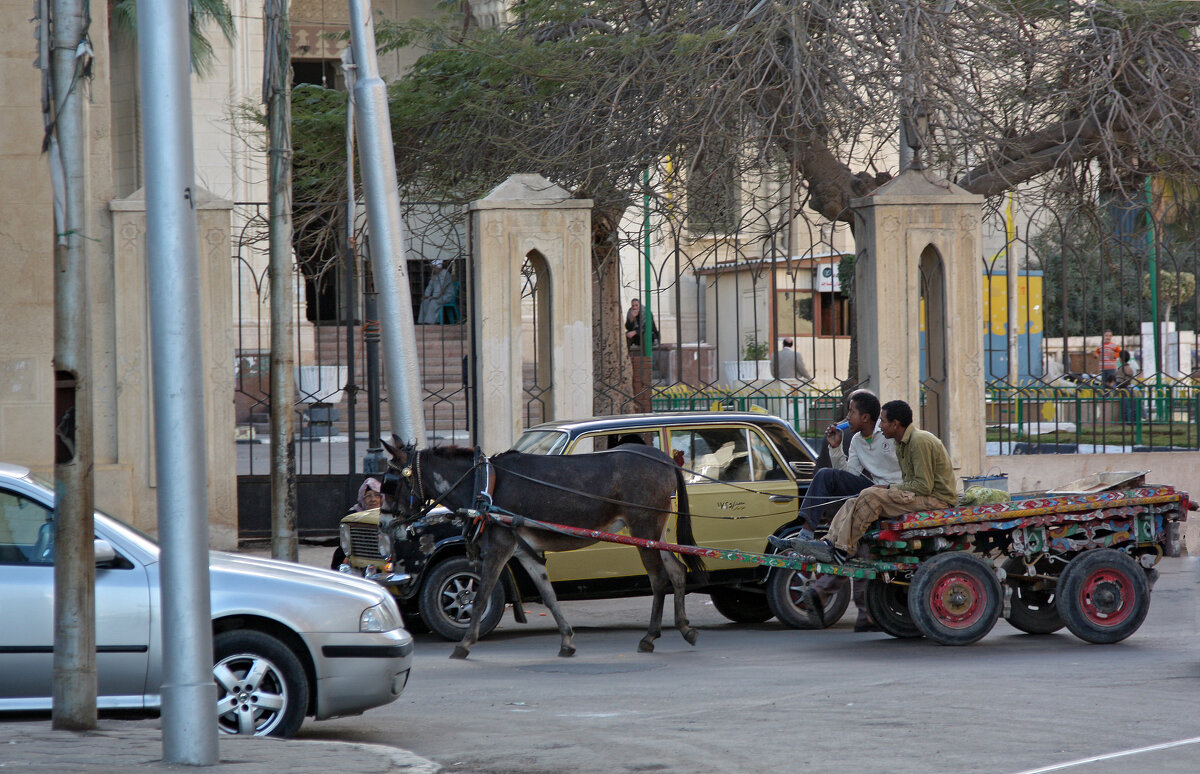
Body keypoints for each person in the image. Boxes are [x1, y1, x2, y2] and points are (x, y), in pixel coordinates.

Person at [775, 390, 903, 631]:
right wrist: (835, 448)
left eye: (851, 412)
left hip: (894, 494)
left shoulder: (889, 435)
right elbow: (851, 475)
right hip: (871, 491)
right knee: (826, 475)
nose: (848, 416)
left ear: (866, 417)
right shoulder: (854, 440)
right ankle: (805, 533)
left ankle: (855, 609)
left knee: (859, 547)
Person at [781, 399, 956, 565]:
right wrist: (836, 449)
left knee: (870, 496)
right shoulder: (898, 442)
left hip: (935, 499)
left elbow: (923, 486)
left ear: (895, 424)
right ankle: (827, 543)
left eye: (883, 421)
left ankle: (843, 550)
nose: (881, 425)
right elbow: (852, 474)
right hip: (904, 492)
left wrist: (888, 488)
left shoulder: (918, 441)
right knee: (853, 500)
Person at [331, 477, 383, 570]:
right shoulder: (354, 515)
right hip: (356, 552)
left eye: (377, 495)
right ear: (362, 498)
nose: (373, 499)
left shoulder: (386, 515)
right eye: (368, 496)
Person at [417, 260, 456, 324]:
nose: (433, 269)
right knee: (425, 302)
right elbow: (430, 286)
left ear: (439, 267)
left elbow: (440, 287)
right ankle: (422, 322)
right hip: (438, 296)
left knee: (433, 302)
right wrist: (426, 295)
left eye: (434, 267)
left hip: (447, 296)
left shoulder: (445, 274)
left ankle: (431, 322)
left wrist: (435, 296)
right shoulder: (435, 275)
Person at [1117, 349, 1140, 423]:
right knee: (1132, 407)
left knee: (1125, 407)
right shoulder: (1129, 368)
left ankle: (1126, 421)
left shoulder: (1121, 369)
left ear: (1120, 358)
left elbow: (1119, 382)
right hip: (1130, 388)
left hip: (1123, 390)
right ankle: (1133, 420)